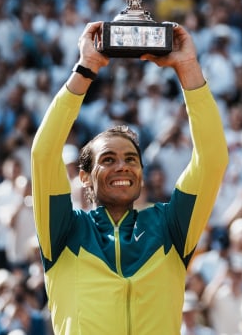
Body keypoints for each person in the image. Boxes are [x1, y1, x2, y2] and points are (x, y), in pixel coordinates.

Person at [30, 21, 228, 334]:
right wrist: (87, 67)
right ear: (83, 176)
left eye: (131, 159)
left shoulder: (170, 226)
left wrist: (188, 68)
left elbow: (213, 159)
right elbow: (44, 154)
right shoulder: (64, 231)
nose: (122, 166)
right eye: (108, 159)